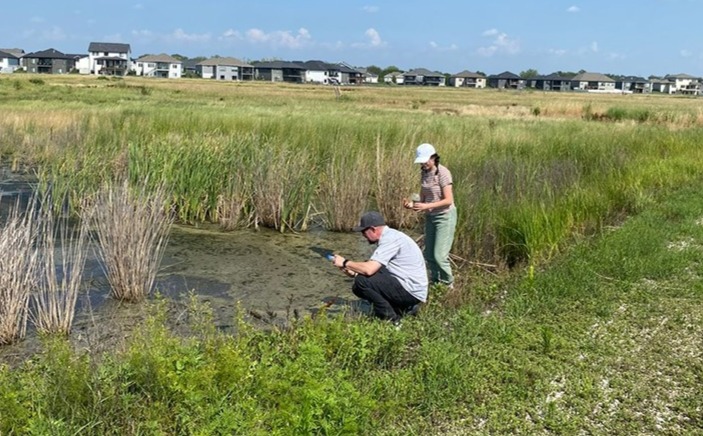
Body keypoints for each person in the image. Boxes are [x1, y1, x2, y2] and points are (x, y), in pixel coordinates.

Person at [332, 211, 428, 323]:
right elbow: (378, 269)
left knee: (361, 282)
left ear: (373, 229)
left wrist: (345, 262)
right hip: (411, 287)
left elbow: (369, 270)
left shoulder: (390, 240)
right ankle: (403, 309)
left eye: (363, 231)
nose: (363, 235)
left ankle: (392, 320)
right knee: (357, 287)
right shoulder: (392, 235)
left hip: (412, 291)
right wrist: (354, 272)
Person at [404, 143, 457, 287]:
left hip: (445, 216)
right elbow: (423, 196)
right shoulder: (424, 173)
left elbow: (448, 200)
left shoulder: (443, 173)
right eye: (421, 161)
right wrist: (413, 205)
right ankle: (435, 282)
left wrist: (427, 206)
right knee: (428, 254)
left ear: (434, 158)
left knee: (440, 256)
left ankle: (448, 284)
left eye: (425, 160)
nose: (423, 164)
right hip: (430, 216)